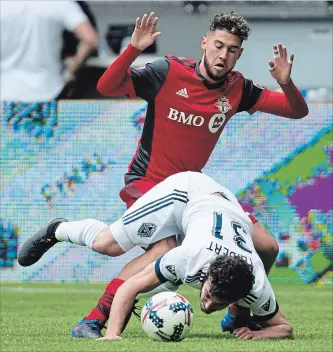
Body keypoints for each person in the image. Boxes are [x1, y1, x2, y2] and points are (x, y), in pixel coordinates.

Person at [24, 11, 308, 338]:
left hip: (193, 193)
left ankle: (237, 313)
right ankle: (92, 314)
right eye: (218, 45)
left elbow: (296, 111)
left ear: (239, 54)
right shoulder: (167, 71)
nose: (223, 54)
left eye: (232, 49)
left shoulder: (238, 89)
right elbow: (106, 85)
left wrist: (285, 82)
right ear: (204, 43)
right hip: (148, 181)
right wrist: (132, 49)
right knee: (122, 247)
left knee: (268, 246)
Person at [18, 172, 293, 340]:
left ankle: (238, 315)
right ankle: (58, 229)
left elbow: (284, 328)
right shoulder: (188, 257)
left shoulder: (255, 284)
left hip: (224, 207)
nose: (206, 306)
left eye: (216, 303)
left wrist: (259, 333)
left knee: (269, 247)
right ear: (207, 274)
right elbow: (132, 286)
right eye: (208, 295)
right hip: (184, 194)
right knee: (108, 244)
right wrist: (113, 336)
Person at [0, 1, 98, 102]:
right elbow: (90, 40)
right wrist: (72, 68)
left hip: (6, 92)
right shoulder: (59, 3)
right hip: (48, 92)